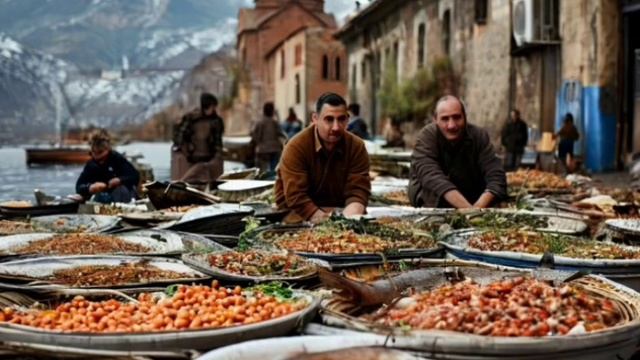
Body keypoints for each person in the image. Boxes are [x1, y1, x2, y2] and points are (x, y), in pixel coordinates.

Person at [274, 92, 371, 223]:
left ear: (348, 119)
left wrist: (347, 222)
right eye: (329, 119)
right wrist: (327, 223)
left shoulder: (356, 146)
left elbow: (358, 191)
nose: (336, 127)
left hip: (340, 211)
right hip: (298, 213)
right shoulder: (295, 147)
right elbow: (296, 196)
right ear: (315, 119)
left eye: (341, 119)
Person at [408, 95, 507, 208]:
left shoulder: (479, 137)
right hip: (432, 202)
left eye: (457, 117)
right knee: (431, 186)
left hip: (472, 199)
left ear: (465, 117)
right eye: (445, 119)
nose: (452, 125)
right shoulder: (426, 137)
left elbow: (496, 175)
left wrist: (478, 207)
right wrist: (468, 210)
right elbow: (431, 175)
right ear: (435, 120)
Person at [76, 129, 140, 203]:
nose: (97, 156)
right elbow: (79, 186)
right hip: (101, 197)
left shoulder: (117, 159)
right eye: (94, 152)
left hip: (121, 195)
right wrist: (89, 187)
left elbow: (134, 176)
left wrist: (120, 180)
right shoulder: (91, 164)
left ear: (107, 149)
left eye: (100, 152)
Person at [175, 93, 225, 185]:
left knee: (208, 180)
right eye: (212, 107)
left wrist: (218, 154)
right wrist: (184, 149)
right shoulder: (191, 118)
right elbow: (180, 136)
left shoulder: (216, 121)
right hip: (192, 156)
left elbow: (218, 141)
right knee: (190, 180)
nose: (214, 109)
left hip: (209, 157)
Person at [251, 102, 287, 176]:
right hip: (274, 150)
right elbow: (281, 134)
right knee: (274, 171)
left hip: (262, 151)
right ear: (272, 112)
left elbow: (255, 136)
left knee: (261, 173)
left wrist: (257, 144)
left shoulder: (260, 123)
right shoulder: (274, 122)